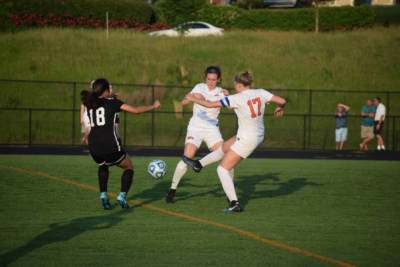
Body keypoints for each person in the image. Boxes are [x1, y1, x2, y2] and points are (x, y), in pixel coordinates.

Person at [183, 71, 286, 212]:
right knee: (225, 147)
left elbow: (211, 105)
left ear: (238, 84)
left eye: (234, 84)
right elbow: (282, 101)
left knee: (222, 169)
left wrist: (193, 99)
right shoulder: (260, 92)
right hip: (257, 135)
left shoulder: (237, 97)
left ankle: (234, 203)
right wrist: (280, 108)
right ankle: (198, 164)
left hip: (248, 139)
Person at [81, 78, 161, 210]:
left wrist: (110, 96)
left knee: (103, 165)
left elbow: (102, 103)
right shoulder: (113, 103)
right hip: (110, 145)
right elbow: (136, 110)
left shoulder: (90, 103)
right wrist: (153, 106)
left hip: (94, 147)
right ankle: (122, 196)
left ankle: (103, 196)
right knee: (128, 167)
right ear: (106, 90)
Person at [165, 66, 229, 203]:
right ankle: (172, 190)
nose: (210, 82)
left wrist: (228, 96)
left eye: (214, 79)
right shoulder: (199, 87)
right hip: (196, 127)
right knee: (186, 157)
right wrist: (193, 97)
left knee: (226, 156)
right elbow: (184, 102)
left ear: (219, 80)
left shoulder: (221, 92)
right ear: (205, 78)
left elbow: (230, 106)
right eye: (208, 79)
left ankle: (231, 195)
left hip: (212, 129)